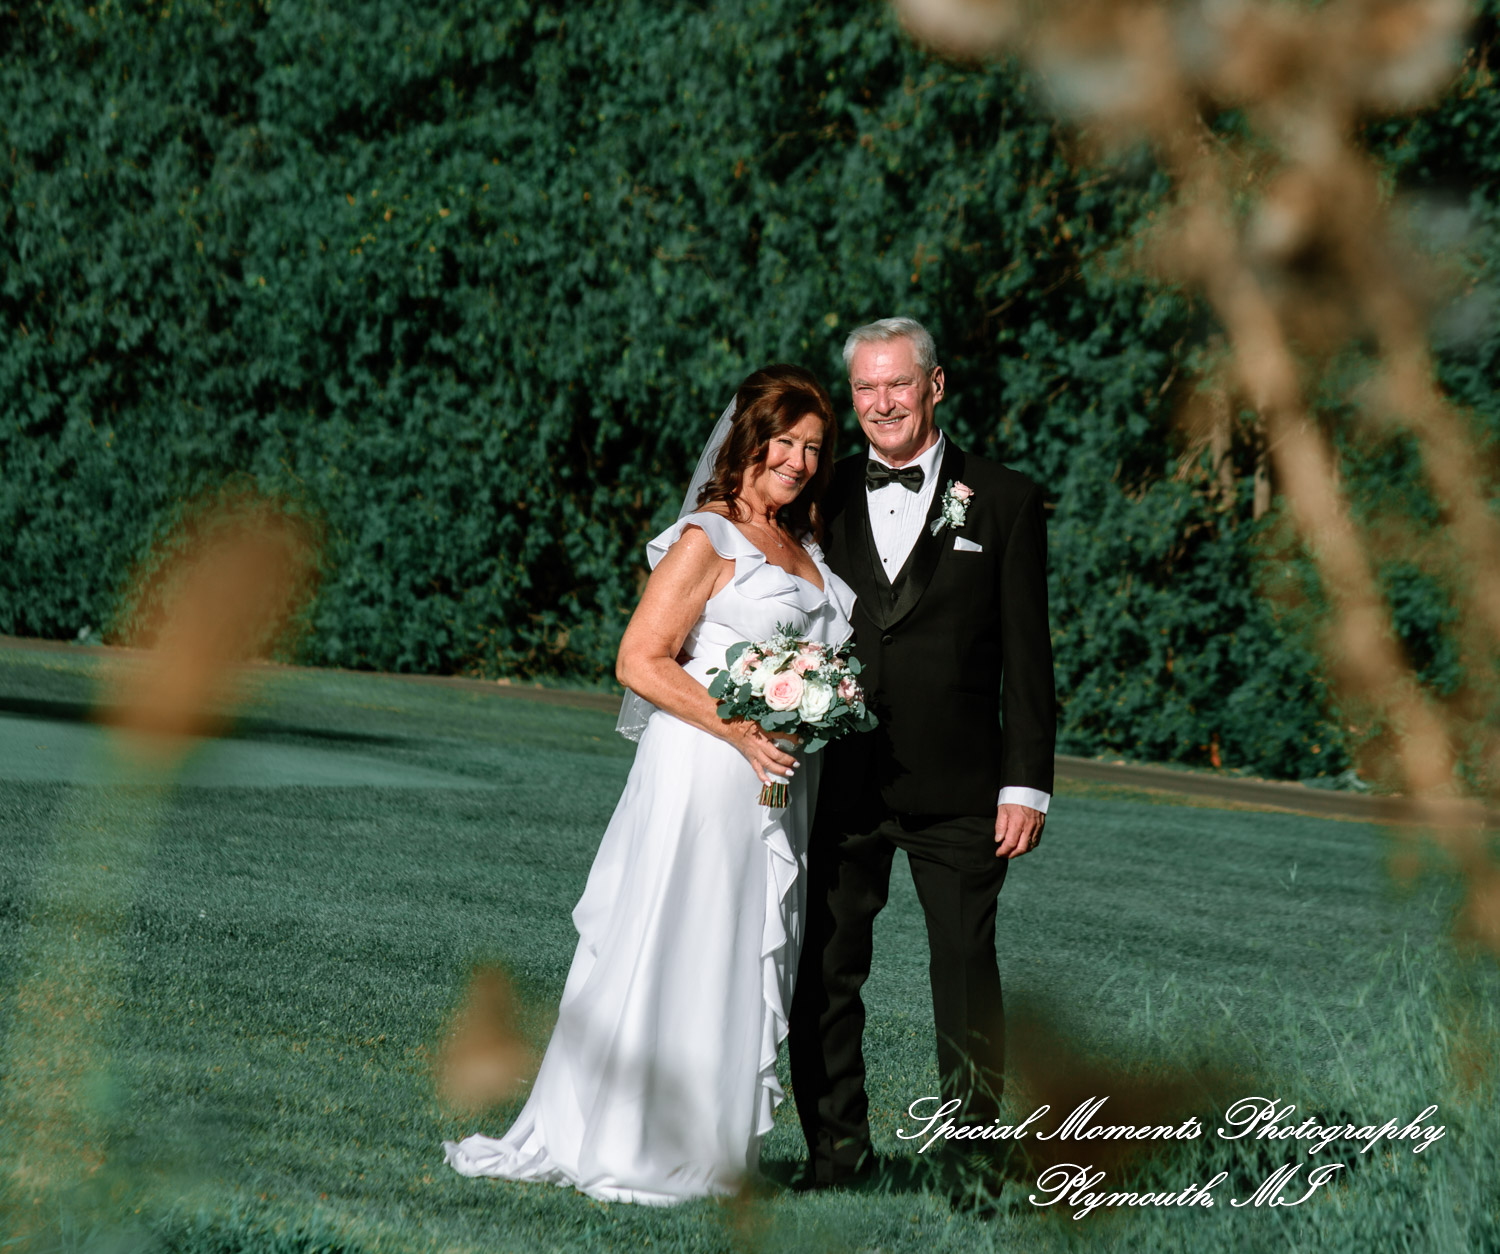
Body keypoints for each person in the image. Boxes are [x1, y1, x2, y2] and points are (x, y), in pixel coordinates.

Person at [443, 364, 857, 1204]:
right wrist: (741, 727)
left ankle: (712, 1146)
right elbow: (639, 660)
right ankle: (634, 1137)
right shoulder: (710, 537)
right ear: (749, 439)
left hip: (775, 786)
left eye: (814, 447)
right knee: (682, 935)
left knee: (742, 947)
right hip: (704, 773)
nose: (800, 460)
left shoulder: (803, 544)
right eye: (785, 441)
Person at [788, 316, 1057, 1190]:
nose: (881, 404)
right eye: (865, 389)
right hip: (842, 778)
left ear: (934, 386)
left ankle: (974, 1164)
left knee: (967, 973)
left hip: (965, 789)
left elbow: (1029, 657)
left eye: (896, 384)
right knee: (824, 968)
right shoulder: (818, 493)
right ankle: (836, 1155)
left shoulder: (1007, 500)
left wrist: (1028, 784)